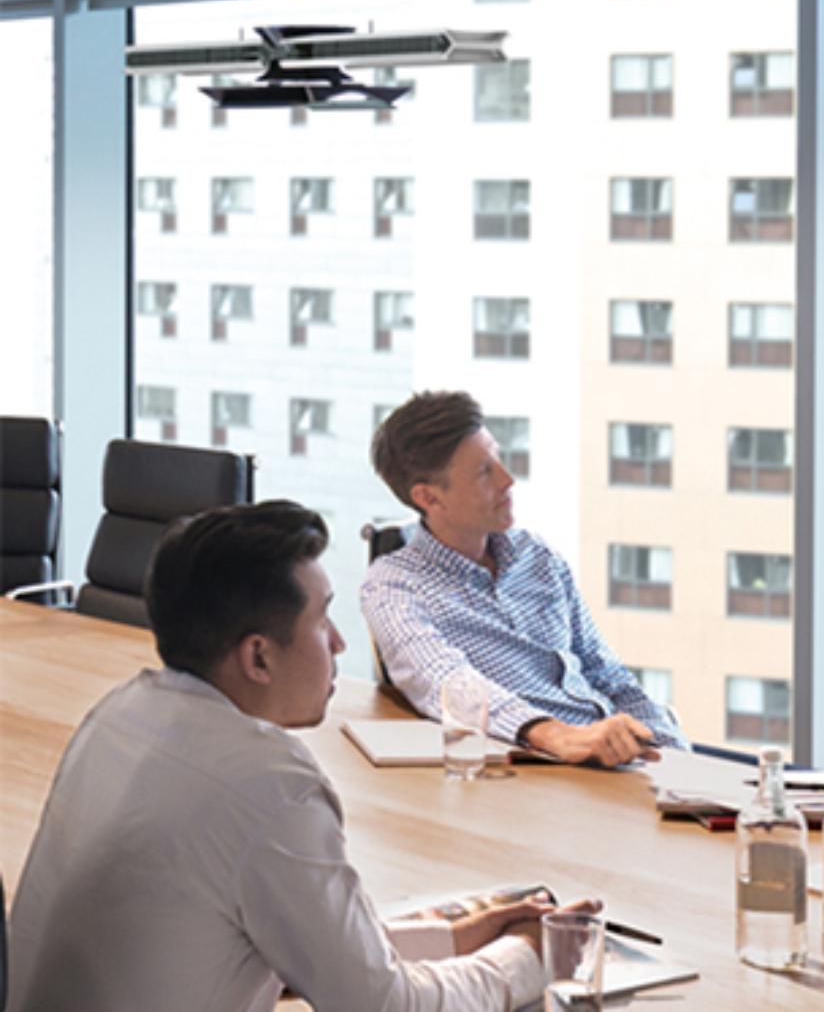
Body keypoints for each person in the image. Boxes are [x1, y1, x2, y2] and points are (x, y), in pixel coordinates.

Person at [7, 501, 597, 1011]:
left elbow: (290, 943)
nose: (339, 642)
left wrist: (455, 937)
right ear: (258, 658)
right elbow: (383, 1006)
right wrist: (530, 957)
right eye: (322, 617)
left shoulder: (121, 714)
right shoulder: (267, 784)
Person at [362, 390, 687, 765]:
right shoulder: (393, 587)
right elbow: (443, 680)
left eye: (497, 459)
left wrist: (675, 754)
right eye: (484, 471)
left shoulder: (537, 556)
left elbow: (606, 673)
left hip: (622, 757)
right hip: (545, 767)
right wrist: (558, 736)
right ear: (430, 498)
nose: (507, 479)